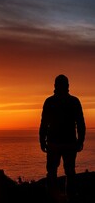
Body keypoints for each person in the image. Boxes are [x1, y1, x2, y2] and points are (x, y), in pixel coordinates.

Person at [39, 74, 86, 202]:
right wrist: (80, 140)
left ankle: (53, 197)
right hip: (68, 143)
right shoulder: (74, 101)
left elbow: (44, 123)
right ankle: (70, 197)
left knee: (53, 172)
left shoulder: (49, 102)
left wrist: (42, 140)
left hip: (55, 143)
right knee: (69, 172)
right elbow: (80, 123)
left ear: (55, 86)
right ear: (68, 86)